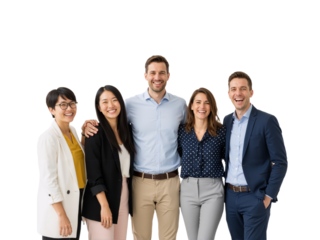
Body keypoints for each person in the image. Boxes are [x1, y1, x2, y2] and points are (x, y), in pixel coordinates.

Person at [83, 55, 187, 239]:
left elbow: (190, 135)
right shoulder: (129, 104)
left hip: (170, 181)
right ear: (144, 75)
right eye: (152, 73)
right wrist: (86, 125)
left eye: (162, 73)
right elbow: (109, 119)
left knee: (169, 236)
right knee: (140, 236)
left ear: (168, 76)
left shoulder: (181, 105)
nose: (157, 77)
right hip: (140, 182)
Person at [223, 71, 288, 240]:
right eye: (234, 89)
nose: (238, 93)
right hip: (230, 197)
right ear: (228, 94)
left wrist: (267, 197)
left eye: (243, 89)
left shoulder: (267, 120)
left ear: (252, 92)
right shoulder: (225, 122)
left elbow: (280, 162)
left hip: (255, 196)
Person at [35, 86, 94, 239]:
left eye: (72, 103)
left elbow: (77, 159)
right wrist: (61, 215)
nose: (69, 108)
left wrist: (85, 133)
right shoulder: (48, 137)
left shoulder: (73, 131)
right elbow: (49, 179)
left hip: (77, 198)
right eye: (63, 105)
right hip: (59, 206)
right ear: (51, 109)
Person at [81, 85, 135, 240]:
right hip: (100, 200)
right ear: (98, 107)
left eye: (114, 100)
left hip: (123, 197)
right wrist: (104, 206)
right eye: (105, 102)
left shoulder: (128, 132)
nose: (110, 105)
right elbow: (93, 176)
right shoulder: (94, 132)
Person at [178, 87, 225, 240]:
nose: (202, 107)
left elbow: (230, 158)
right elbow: (178, 154)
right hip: (187, 190)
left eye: (206, 103)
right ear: (191, 105)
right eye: (198, 102)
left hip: (213, 191)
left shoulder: (221, 132)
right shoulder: (182, 131)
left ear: (212, 106)